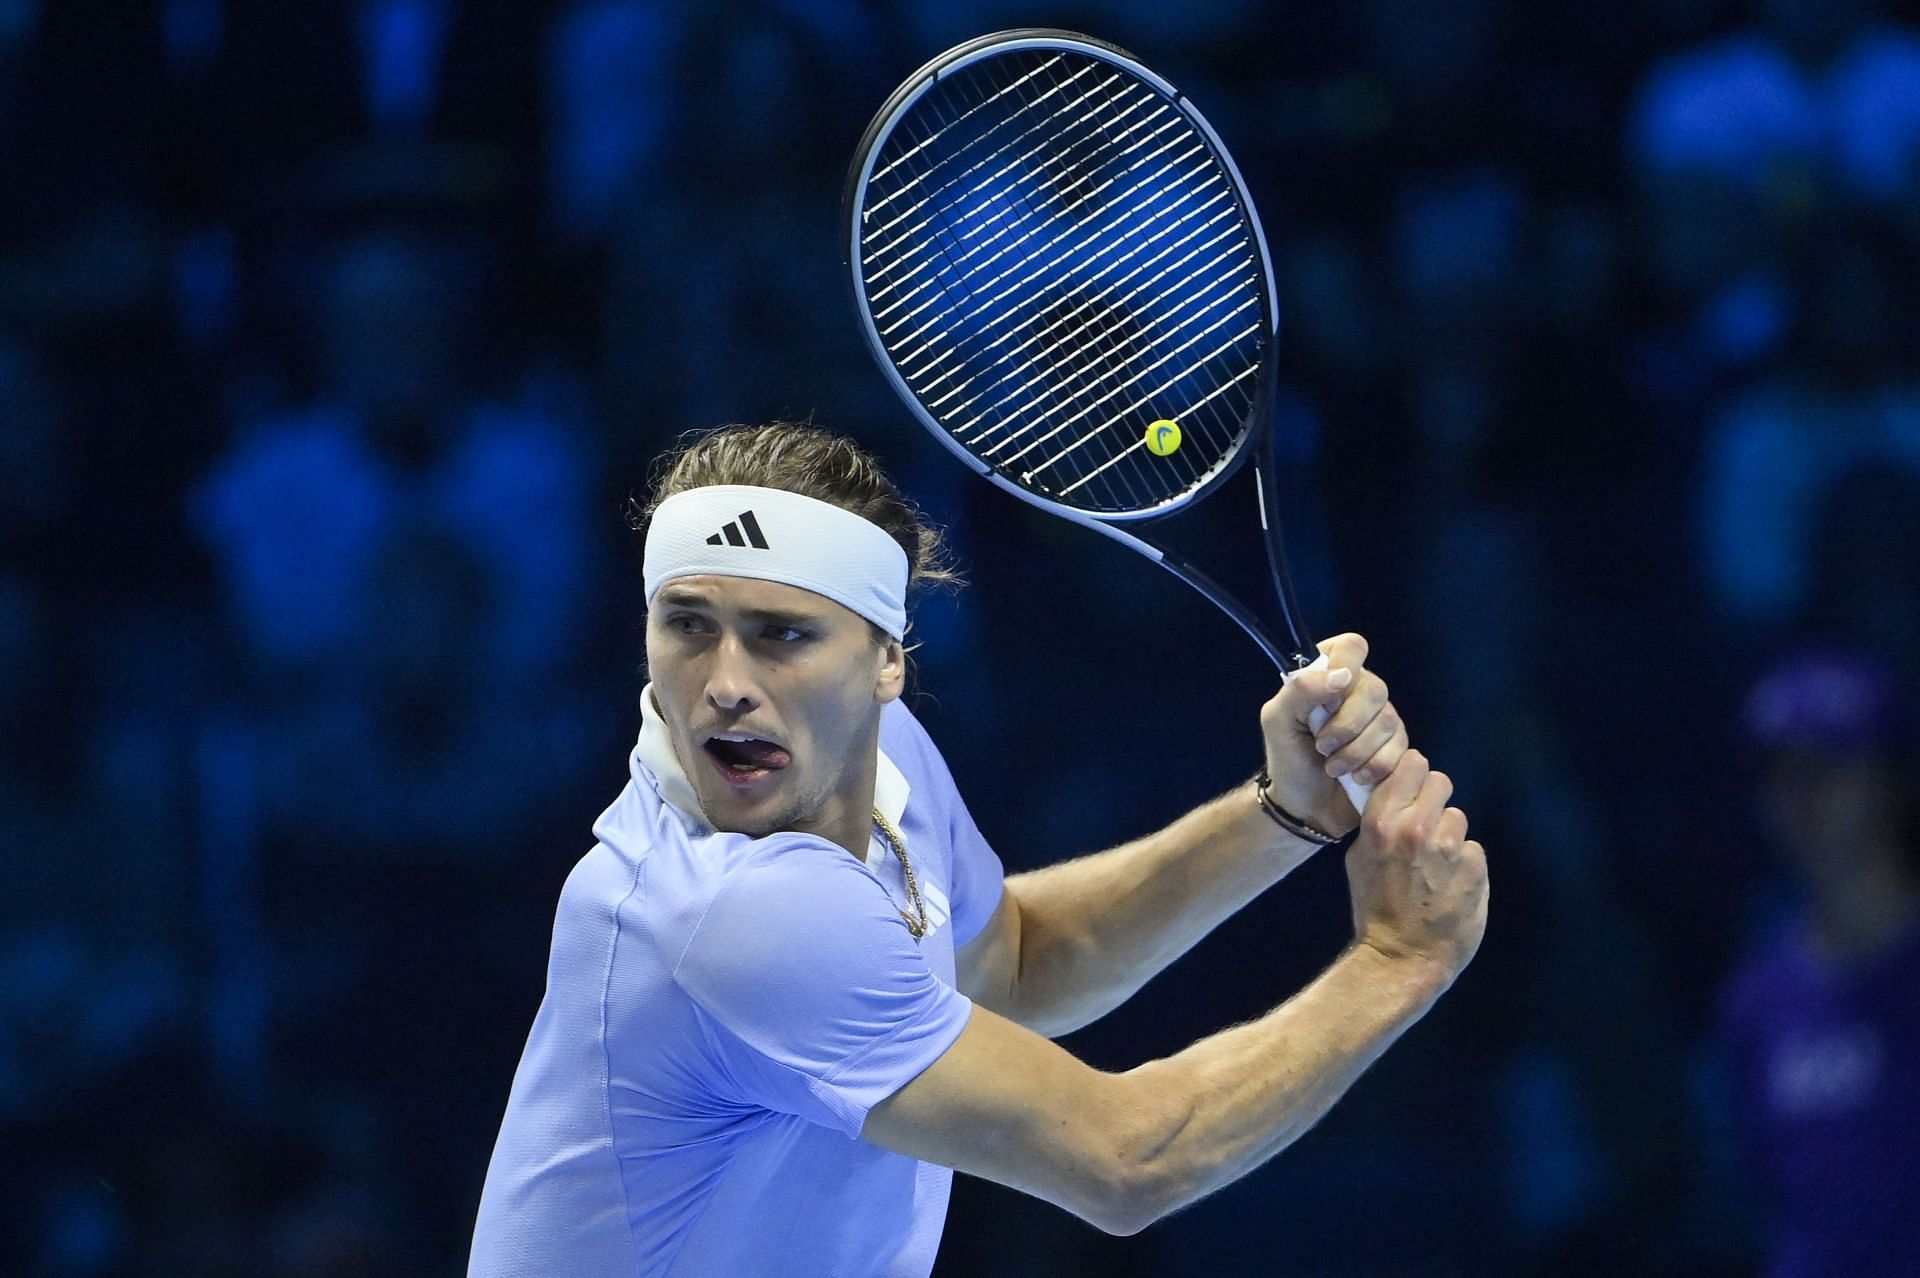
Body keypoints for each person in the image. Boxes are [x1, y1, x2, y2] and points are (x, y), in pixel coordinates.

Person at [467, 422, 1489, 1276]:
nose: (726, 681)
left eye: (782, 635)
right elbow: (1126, 1161)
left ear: (885, 666)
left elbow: (1012, 961)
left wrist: (1282, 813)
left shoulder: (886, 766)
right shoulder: (730, 911)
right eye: (688, 625)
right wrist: (1401, 961)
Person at [1716, 650, 1920, 1277]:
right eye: (1782, 774)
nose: (1802, 798)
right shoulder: (1757, 1001)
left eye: (1830, 767)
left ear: (1891, 779)